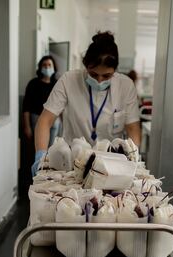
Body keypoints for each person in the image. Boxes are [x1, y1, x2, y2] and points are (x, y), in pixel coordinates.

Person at [31, 31, 141, 175]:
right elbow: (45, 120)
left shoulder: (125, 86)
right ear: (85, 65)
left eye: (107, 76)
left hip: (111, 165)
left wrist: (134, 159)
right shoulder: (68, 81)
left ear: (115, 70)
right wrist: (40, 155)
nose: (99, 80)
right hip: (72, 163)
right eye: (93, 74)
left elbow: (133, 128)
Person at [22, 55, 61, 145]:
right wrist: (27, 126)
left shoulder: (57, 84)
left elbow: (62, 105)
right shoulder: (33, 84)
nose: (47, 67)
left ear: (54, 67)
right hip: (37, 119)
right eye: (44, 65)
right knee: (40, 149)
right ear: (40, 67)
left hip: (54, 120)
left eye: (49, 65)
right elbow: (26, 106)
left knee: (52, 150)